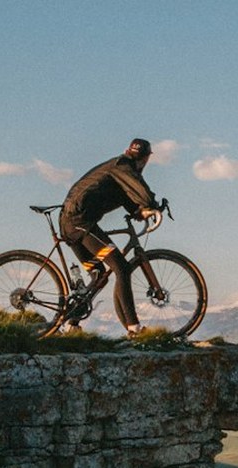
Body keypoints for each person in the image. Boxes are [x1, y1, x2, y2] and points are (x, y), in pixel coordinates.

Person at [60, 138, 163, 336]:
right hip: (80, 223)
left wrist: (140, 212)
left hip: (71, 222)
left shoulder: (117, 170)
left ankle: (71, 323)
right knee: (122, 268)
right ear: (145, 159)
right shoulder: (124, 166)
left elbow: (128, 199)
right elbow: (140, 190)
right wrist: (153, 205)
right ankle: (134, 328)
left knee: (98, 275)